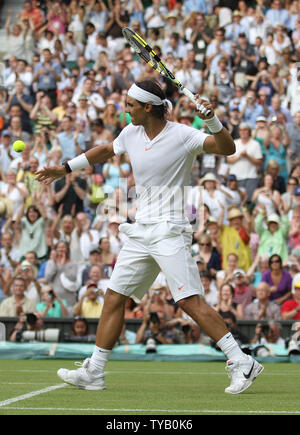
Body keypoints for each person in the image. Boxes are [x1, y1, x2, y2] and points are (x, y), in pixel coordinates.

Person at [36, 79, 263, 394]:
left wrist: (212, 120)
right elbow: (104, 150)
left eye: (130, 104)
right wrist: (66, 168)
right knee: (114, 297)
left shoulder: (183, 135)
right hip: (141, 231)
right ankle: (95, 372)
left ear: (147, 107)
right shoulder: (130, 133)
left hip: (170, 230)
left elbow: (227, 148)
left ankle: (243, 362)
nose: (125, 109)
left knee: (188, 301)